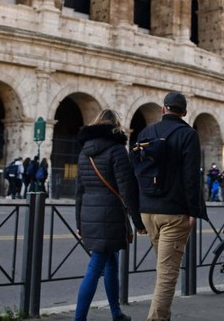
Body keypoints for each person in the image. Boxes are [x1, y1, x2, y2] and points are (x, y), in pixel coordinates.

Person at [135, 91, 207, 321]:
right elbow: (190, 178)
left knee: (163, 268)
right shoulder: (188, 134)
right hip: (174, 213)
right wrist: (193, 211)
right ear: (184, 112)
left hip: (148, 210)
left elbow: (136, 171)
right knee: (167, 273)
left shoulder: (146, 132)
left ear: (163, 109)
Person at [74, 109, 146, 321]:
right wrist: (138, 221)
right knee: (96, 266)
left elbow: (79, 191)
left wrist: (79, 222)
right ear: (115, 126)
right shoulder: (117, 150)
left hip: (89, 212)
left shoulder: (83, 152)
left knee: (111, 262)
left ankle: (116, 313)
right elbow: (127, 190)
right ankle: (78, 319)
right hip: (110, 214)